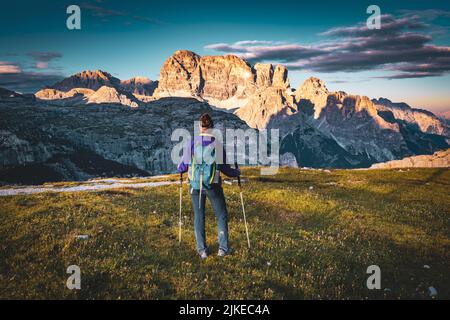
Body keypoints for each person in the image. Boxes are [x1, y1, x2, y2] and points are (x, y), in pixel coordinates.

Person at [178, 113, 240, 259]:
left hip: (195, 187)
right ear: (212, 128)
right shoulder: (217, 145)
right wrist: (237, 172)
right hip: (213, 186)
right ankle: (223, 249)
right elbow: (226, 169)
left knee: (199, 217)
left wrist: (181, 167)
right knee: (221, 216)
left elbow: (182, 167)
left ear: (200, 126)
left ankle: (202, 250)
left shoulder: (192, 143)